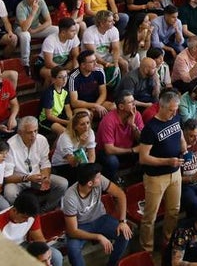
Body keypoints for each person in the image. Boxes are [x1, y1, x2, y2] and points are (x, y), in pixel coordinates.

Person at [139, 90, 186, 254]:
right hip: (156, 177)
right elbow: (143, 158)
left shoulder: (176, 118)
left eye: (176, 109)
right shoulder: (150, 129)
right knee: (149, 217)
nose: (174, 113)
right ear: (161, 107)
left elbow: (180, 134)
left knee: (174, 210)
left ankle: (167, 241)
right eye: (171, 110)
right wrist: (167, 161)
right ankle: (147, 249)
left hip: (175, 172)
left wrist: (184, 147)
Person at [61, 162, 133, 266]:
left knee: (125, 234)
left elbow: (120, 194)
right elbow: (72, 231)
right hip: (81, 226)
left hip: (101, 219)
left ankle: (111, 264)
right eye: (98, 177)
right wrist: (98, 236)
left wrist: (122, 221)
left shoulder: (99, 180)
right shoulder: (70, 197)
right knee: (73, 249)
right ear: (90, 183)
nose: (101, 178)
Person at [4, 116, 68, 207]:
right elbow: (7, 177)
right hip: (18, 180)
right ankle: (22, 213)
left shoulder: (41, 140)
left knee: (62, 184)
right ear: (20, 133)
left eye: (36, 131)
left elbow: (45, 163)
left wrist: (45, 177)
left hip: (37, 177)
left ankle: (45, 210)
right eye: (29, 132)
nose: (34, 135)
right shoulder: (10, 145)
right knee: (9, 193)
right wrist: (27, 178)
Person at [0, 190, 65, 266]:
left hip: (25, 244)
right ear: (14, 211)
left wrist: (46, 256)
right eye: (24, 217)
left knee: (56, 256)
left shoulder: (31, 215)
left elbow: (39, 239)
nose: (27, 221)